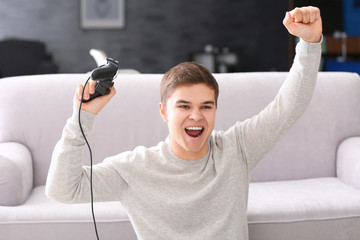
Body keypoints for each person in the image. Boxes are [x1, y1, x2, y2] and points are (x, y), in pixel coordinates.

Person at [46, 6, 323, 240]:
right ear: (164, 112)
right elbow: (63, 190)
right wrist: (81, 118)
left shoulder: (237, 149)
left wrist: (310, 44)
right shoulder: (133, 168)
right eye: (184, 106)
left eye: (206, 106)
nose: (196, 116)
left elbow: (288, 107)